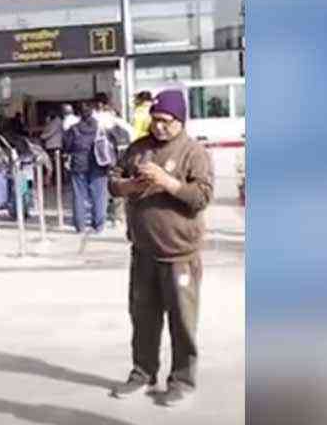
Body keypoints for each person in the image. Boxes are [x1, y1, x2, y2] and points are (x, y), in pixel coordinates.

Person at [107, 90, 214, 407]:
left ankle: (182, 380)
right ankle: (143, 373)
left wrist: (168, 182)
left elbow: (201, 197)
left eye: (166, 121)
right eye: (155, 120)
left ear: (180, 120)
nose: (159, 127)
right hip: (143, 252)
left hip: (179, 255)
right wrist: (131, 185)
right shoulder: (138, 148)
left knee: (182, 322)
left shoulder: (194, 152)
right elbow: (114, 182)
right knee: (143, 318)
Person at [61, 101, 112, 233]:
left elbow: (67, 146)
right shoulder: (101, 128)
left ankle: (80, 225)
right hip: (98, 163)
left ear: (79, 114)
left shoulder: (74, 129)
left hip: (78, 163)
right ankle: (98, 225)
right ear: (92, 112)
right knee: (99, 195)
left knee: (79, 195)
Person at [93, 92, 133, 227]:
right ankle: (117, 216)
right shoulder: (115, 118)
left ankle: (102, 214)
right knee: (116, 183)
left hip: (100, 157)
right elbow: (131, 133)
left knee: (101, 186)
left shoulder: (95, 118)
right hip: (117, 156)